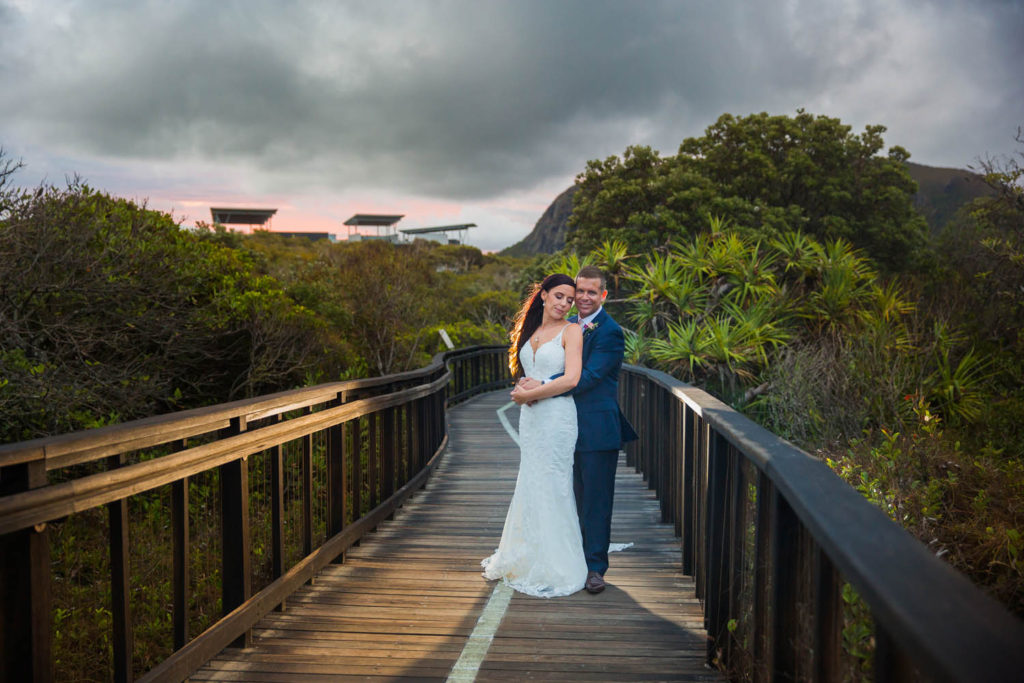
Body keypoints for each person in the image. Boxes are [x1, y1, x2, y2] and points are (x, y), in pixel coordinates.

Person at [515, 265, 637, 594]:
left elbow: (588, 377)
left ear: (603, 295)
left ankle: (595, 568)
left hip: (595, 429)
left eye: (590, 292)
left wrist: (538, 387)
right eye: (577, 291)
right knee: (565, 497)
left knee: (595, 502)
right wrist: (531, 382)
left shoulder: (609, 331)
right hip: (556, 427)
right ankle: (567, 560)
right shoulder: (566, 326)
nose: (582, 297)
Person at [481, 273, 588, 597]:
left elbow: (571, 379)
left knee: (554, 482)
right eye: (558, 296)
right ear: (542, 295)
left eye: (569, 300)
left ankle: (559, 563)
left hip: (557, 417)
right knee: (531, 480)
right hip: (531, 420)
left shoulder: (572, 331)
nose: (564, 304)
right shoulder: (532, 331)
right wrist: (523, 388)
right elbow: (530, 373)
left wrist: (533, 392)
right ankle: (530, 553)